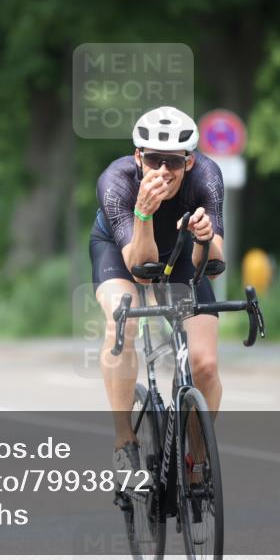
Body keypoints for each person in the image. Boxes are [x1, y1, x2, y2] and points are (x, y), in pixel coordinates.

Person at [89, 106, 225, 473]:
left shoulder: (208, 177)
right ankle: (124, 440)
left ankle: (195, 459)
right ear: (138, 156)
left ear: (190, 162)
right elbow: (141, 270)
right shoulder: (116, 181)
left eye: (174, 163)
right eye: (153, 159)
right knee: (123, 320)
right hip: (122, 252)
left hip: (182, 251)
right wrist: (144, 213)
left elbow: (212, 266)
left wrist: (205, 237)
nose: (163, 171)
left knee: (206, 365)